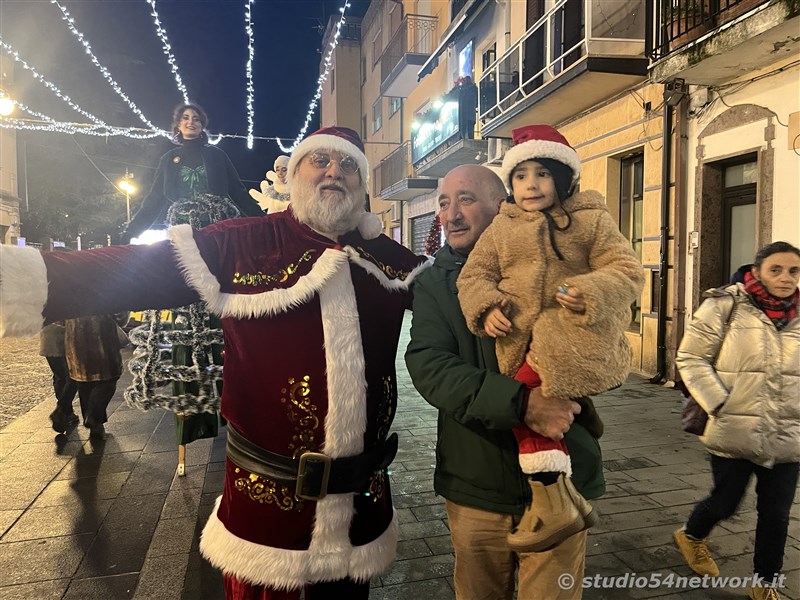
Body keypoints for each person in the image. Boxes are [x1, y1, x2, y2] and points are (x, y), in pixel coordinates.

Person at [0, 126, 429, 600]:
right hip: (268, 502)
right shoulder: (240, 244)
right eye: (320, 160)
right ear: (296, 174)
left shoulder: (388, 258)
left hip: (361, 505)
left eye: (348, 164)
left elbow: (457, 299)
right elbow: (128, 270)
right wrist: (17, 279)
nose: (334, 172)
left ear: (362, 182)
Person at [405, 164, 605, 600]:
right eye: (443, 202)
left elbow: (605, 338)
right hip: (476, 486)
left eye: (466, 199)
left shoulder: (562, 257)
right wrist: (522, 404)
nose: (451, 214)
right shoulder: (436, 283)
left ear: (503, 206)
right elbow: (429, 364)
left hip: (563, 484)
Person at [457, 125, 643, 553]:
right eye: (521, 176)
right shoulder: (502, 228)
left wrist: (591, 290)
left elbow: (627, 270)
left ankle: (552, 506)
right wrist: (487, 307)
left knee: (522, 404)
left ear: (562, 178)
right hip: (521, 339)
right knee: (526, 401)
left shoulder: (591, 220)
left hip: (574, 336)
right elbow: (475, 275)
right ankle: (568, 491)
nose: (531, 185)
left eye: (541, 174)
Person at [674, 241, 800, 600]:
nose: (786, 278)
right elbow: (691, 356)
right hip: (734, 428)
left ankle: (765, 585)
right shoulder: (725, 304)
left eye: (794, 270)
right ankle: (692, 535)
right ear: (757, 270)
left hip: (787, 433)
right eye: (776, 269)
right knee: (726, 502)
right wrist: (719, 403)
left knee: (776, 514)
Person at [122, 102, 263, 242]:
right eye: (185, 117)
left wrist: (265, 220)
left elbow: (238, 193)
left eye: (196, 119)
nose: (191, 122)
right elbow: (154, 200)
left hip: (218, 229)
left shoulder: (217, 155)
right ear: (178, 124)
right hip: (183, 231)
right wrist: (130, 233)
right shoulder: (168, 159)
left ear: (201, 126)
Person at [64, 313, 128, 440]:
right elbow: (120, 315)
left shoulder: (69, 293)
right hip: (102, 341)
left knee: (84, 383)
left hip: (76, 340)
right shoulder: (102, 293)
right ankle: (94, 416)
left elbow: (59, 318)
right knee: (109, 380)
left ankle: (96, 426)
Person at [39, 321, 79, 433]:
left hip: (47, 338)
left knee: (59, 377)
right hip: (64, 339)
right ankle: (62, 410)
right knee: (73, 376)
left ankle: (67, 413)